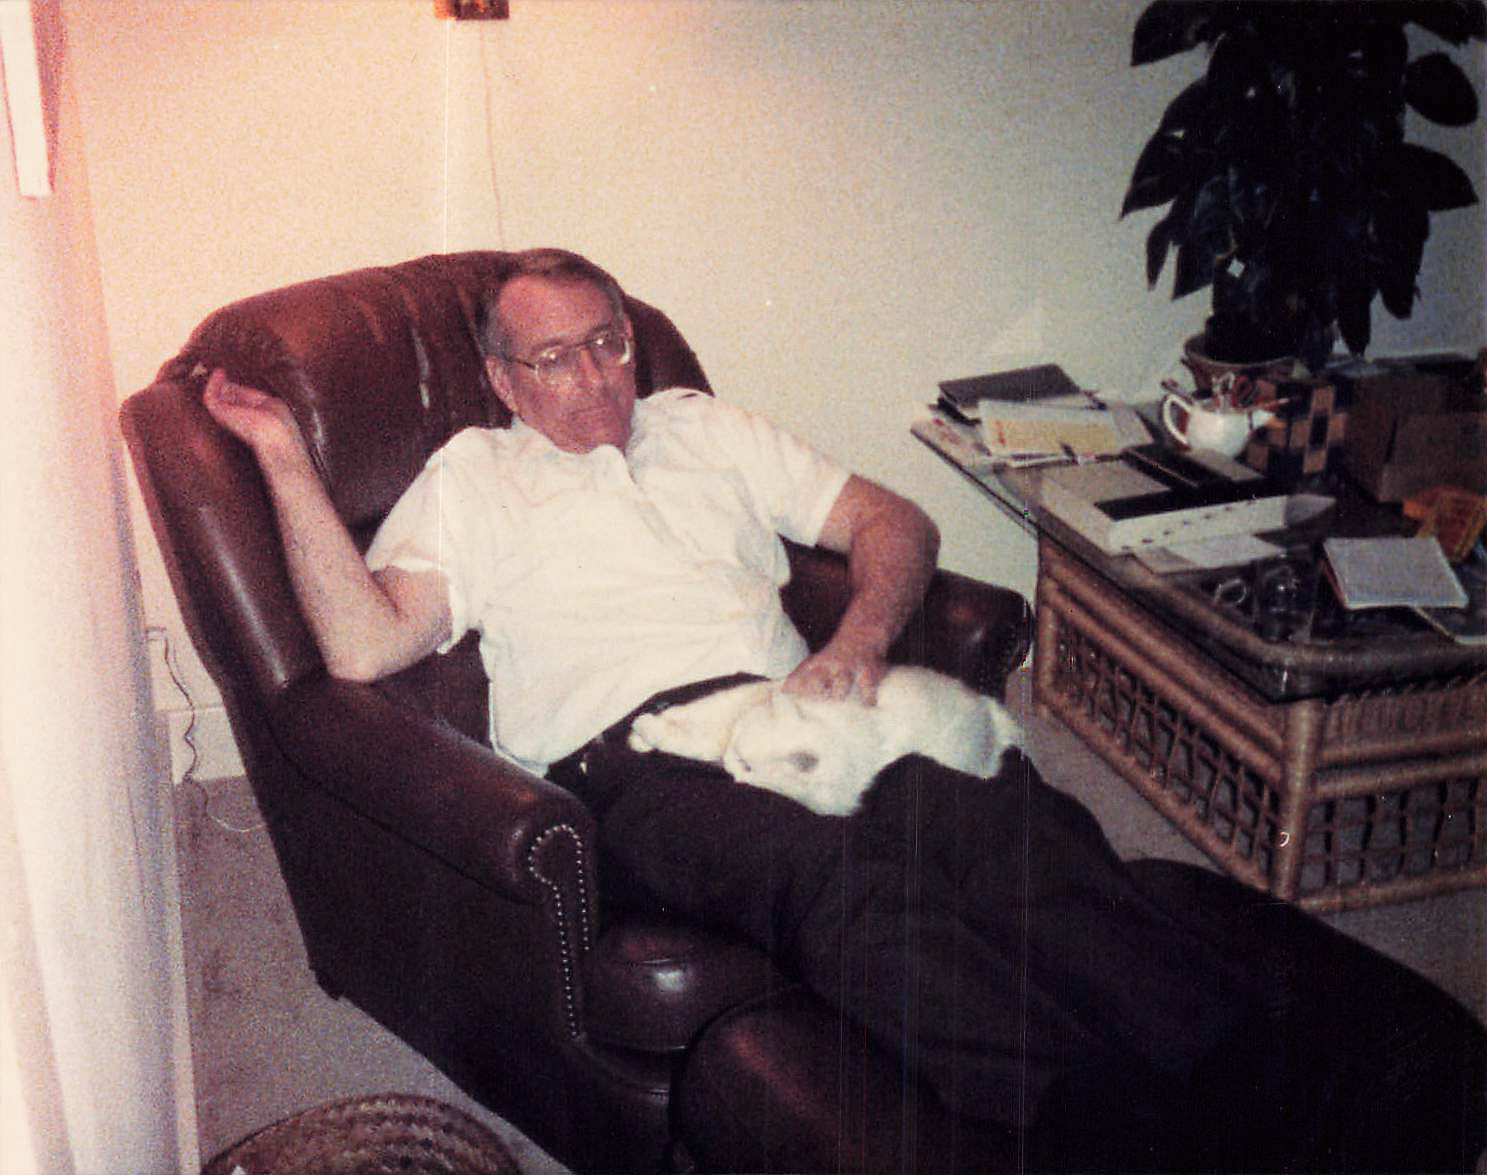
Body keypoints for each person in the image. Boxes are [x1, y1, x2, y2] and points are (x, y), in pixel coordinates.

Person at [204, 248, 1485, 1172]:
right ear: (499, 379)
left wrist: (859, 641)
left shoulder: (698, 427)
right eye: (553, 358)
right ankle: (1112, 1131)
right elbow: (364, 644)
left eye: (609, 342)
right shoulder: (472, 477)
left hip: (804, 709)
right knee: (842, 880)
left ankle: (1270, 1078)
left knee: (1008, 825)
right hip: (641, 758)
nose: (594, 378)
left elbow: (893, 520)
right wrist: (282, 458)